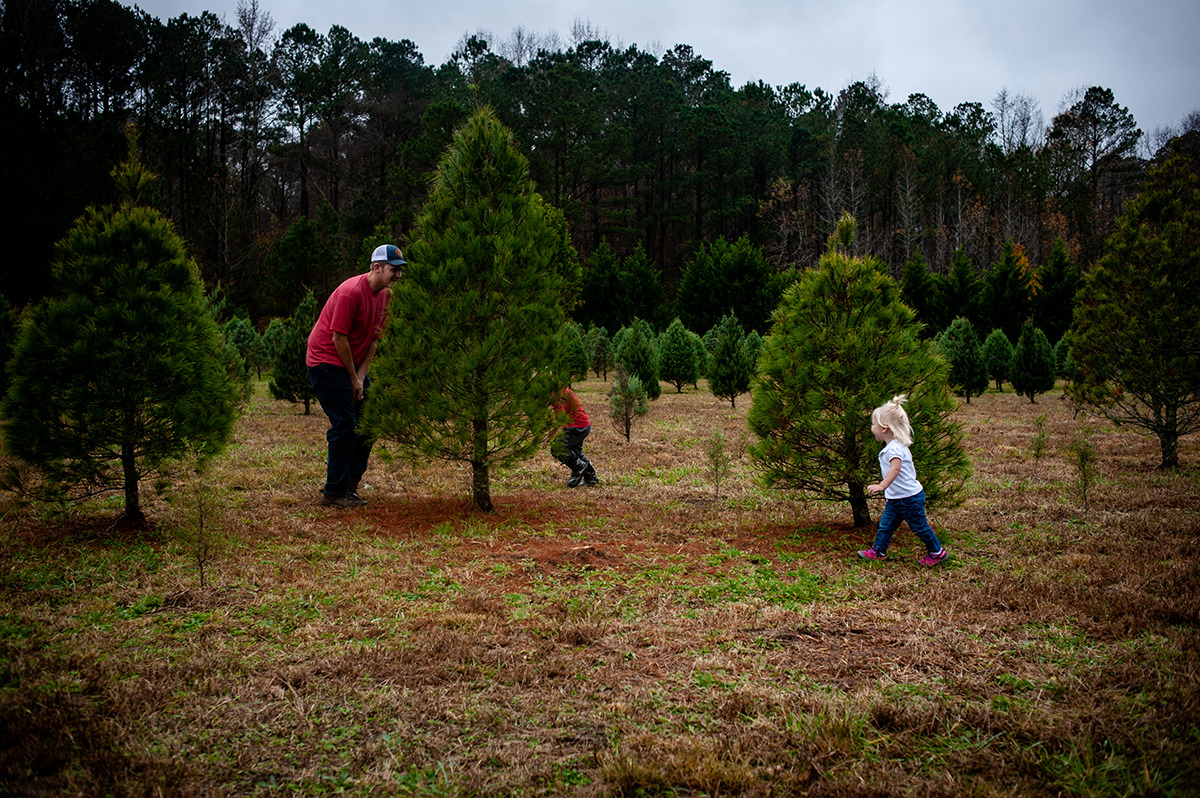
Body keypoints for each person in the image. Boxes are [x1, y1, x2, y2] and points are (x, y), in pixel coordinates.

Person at [306, 244, 404, 508]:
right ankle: (333, 492)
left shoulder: (386, 297)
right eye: (394, 270)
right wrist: (352, 378)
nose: (398, 276)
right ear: (376, 267)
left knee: (368, 424)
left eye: (400, 271)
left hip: (354, 366)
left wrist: (360, 378)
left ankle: (349, 485)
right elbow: (339, 338)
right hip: (326, 362)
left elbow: (374, 341)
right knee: (346, 425)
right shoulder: (350, 293)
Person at [857, 394, 948, 566]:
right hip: (896, 498)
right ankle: (879, 551)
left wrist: (882, 485)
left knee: (919, 527)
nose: (871, 428)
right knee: (886, 526)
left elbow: (895, 469)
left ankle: (937, 552)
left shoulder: (895, 449)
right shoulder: (892, 446)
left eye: (873, 424)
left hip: (909, 498)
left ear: (884, 428)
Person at [550, 385, 599, 487]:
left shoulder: (556, 393)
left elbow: (560, 417)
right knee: (577, 454)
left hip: (577, 427)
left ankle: (579, 467)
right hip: (583, 424)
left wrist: (549, 437)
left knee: (557, 449)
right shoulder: (562, 387)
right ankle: (591, 479)